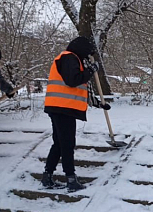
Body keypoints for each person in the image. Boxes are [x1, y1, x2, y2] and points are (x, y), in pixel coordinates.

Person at [42, 36, 110, 192]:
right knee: (67, 144)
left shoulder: (72, 60)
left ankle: (47, 176)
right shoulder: (68, 58)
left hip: (60, 108)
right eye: (87, 53)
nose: (88, 57)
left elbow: (78, 90)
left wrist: (99, 104)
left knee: (59, 144)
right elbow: (73, 80)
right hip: (62, 109)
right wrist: (91, 70)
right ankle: (71, 180)